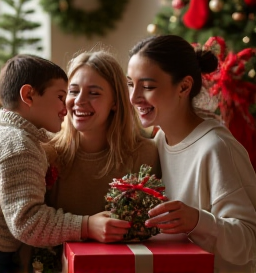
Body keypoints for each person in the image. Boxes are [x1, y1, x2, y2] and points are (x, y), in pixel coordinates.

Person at [127, 35, 256, 273]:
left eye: (147, 87)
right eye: (130, 84)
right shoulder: (159, 141)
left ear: (184, 87)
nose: (134, 98)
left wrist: (198, 220)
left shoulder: (216, 148)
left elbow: (249, 242)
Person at [0, 54, 92, 273]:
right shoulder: (17, 145)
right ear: (29, 95)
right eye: (61, 96)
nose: (66, 107)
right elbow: (28, 223)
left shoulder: (1, 134)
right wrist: (87, 226)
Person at [47, 50, 160, 243]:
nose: (79, 101)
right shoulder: (47, 153)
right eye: (73, 91)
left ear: (115, 102)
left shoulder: (145, 153)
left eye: (93, 93)